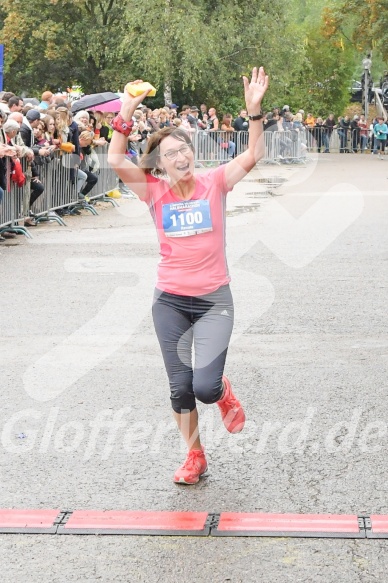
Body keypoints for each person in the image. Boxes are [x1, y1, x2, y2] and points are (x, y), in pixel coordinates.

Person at [108, 66, 269, 485]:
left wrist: (254, 113)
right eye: (171, 155)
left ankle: (222, 393)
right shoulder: (153, 191)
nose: (181, 158)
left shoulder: (214, 183)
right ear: (158, 165)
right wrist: (125, 113)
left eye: (185, 150)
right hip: (171, 302)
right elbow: (113, 159)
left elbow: (253, 156)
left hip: (215, 299)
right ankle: (194, 455)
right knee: (180, 388)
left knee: (204, 387)